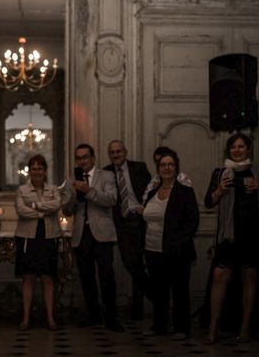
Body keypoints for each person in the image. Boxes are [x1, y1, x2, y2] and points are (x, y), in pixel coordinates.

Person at [204, 133, 258, 344]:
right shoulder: (220, 172)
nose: (237, 150)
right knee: (219, 279)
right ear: (228, 151)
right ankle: (212, 328)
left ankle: (245, 328)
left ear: (248, 149)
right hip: (229, 235)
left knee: (250, 279)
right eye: (233, 147)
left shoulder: (256, 172)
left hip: (252, 234)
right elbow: (209, 202)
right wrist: (219, 190)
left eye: (241, 146)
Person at [62, 143, 123, 332]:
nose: (82, 161)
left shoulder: (107, 176)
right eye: (79, 158)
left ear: (93, 158)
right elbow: (66, 211)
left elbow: (111, 200)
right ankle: (93, 315)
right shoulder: (72, 180)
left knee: (106, 276)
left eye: (85, 157)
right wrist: (72, 197)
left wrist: (89, 191)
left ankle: (111, 318)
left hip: (102, 234)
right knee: (86, 277)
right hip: (81, 234)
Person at [143, 149, 199, 340]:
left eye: (171, 165)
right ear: (158, 168)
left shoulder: (184, 192)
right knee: (159, 291)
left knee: (179, 290)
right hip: (152, 249)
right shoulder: (152, 192)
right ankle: (158, 326)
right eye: (163, 165)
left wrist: (177, 242)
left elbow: (193, 221)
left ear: (176, 168)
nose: (167, 168)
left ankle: (181, 328)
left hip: (176, 251)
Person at [103, 140, 151, 320]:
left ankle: (138, 310)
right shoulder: (106, 172)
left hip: (141, 220)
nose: (116, 155)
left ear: (125, 151)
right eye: (112, 152)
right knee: (130, 263)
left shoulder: (139, 167)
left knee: (140, 262)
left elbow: (150, 190)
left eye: (118, 151)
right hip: (121, 223)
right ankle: (154, 294)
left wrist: (144, 208)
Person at [14, 154, 61, 331]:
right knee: (28, 277)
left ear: (45, 170)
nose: (36, 172)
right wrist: (42, 211)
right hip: (28, 238)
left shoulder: (53, 189)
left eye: (39, 168)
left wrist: (35, 206)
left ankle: (50, 317)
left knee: (48, 278)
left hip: (48, 236)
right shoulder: (21, 190)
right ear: (29, 171)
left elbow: (57, 204)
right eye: (33, 168)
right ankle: (25, 318)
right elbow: (21, 210)